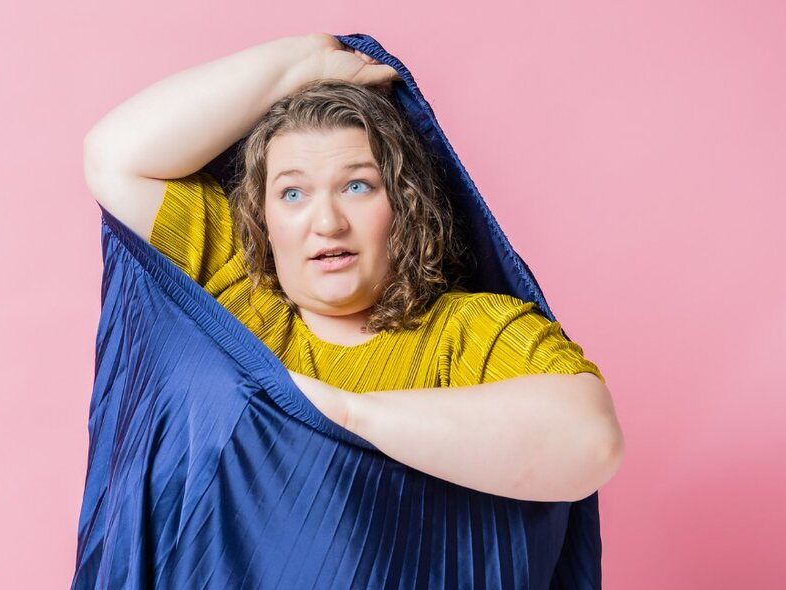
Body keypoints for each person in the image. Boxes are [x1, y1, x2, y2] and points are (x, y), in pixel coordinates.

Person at [83, 33, 624, 503]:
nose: (327, 222)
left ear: (406, 204)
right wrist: (304, 63)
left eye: (357, 186)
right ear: (262, 217)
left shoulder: (469, 333)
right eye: (292, 193)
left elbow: (589, 441)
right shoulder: (237, 295)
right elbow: (116, 156)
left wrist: (338, 417)